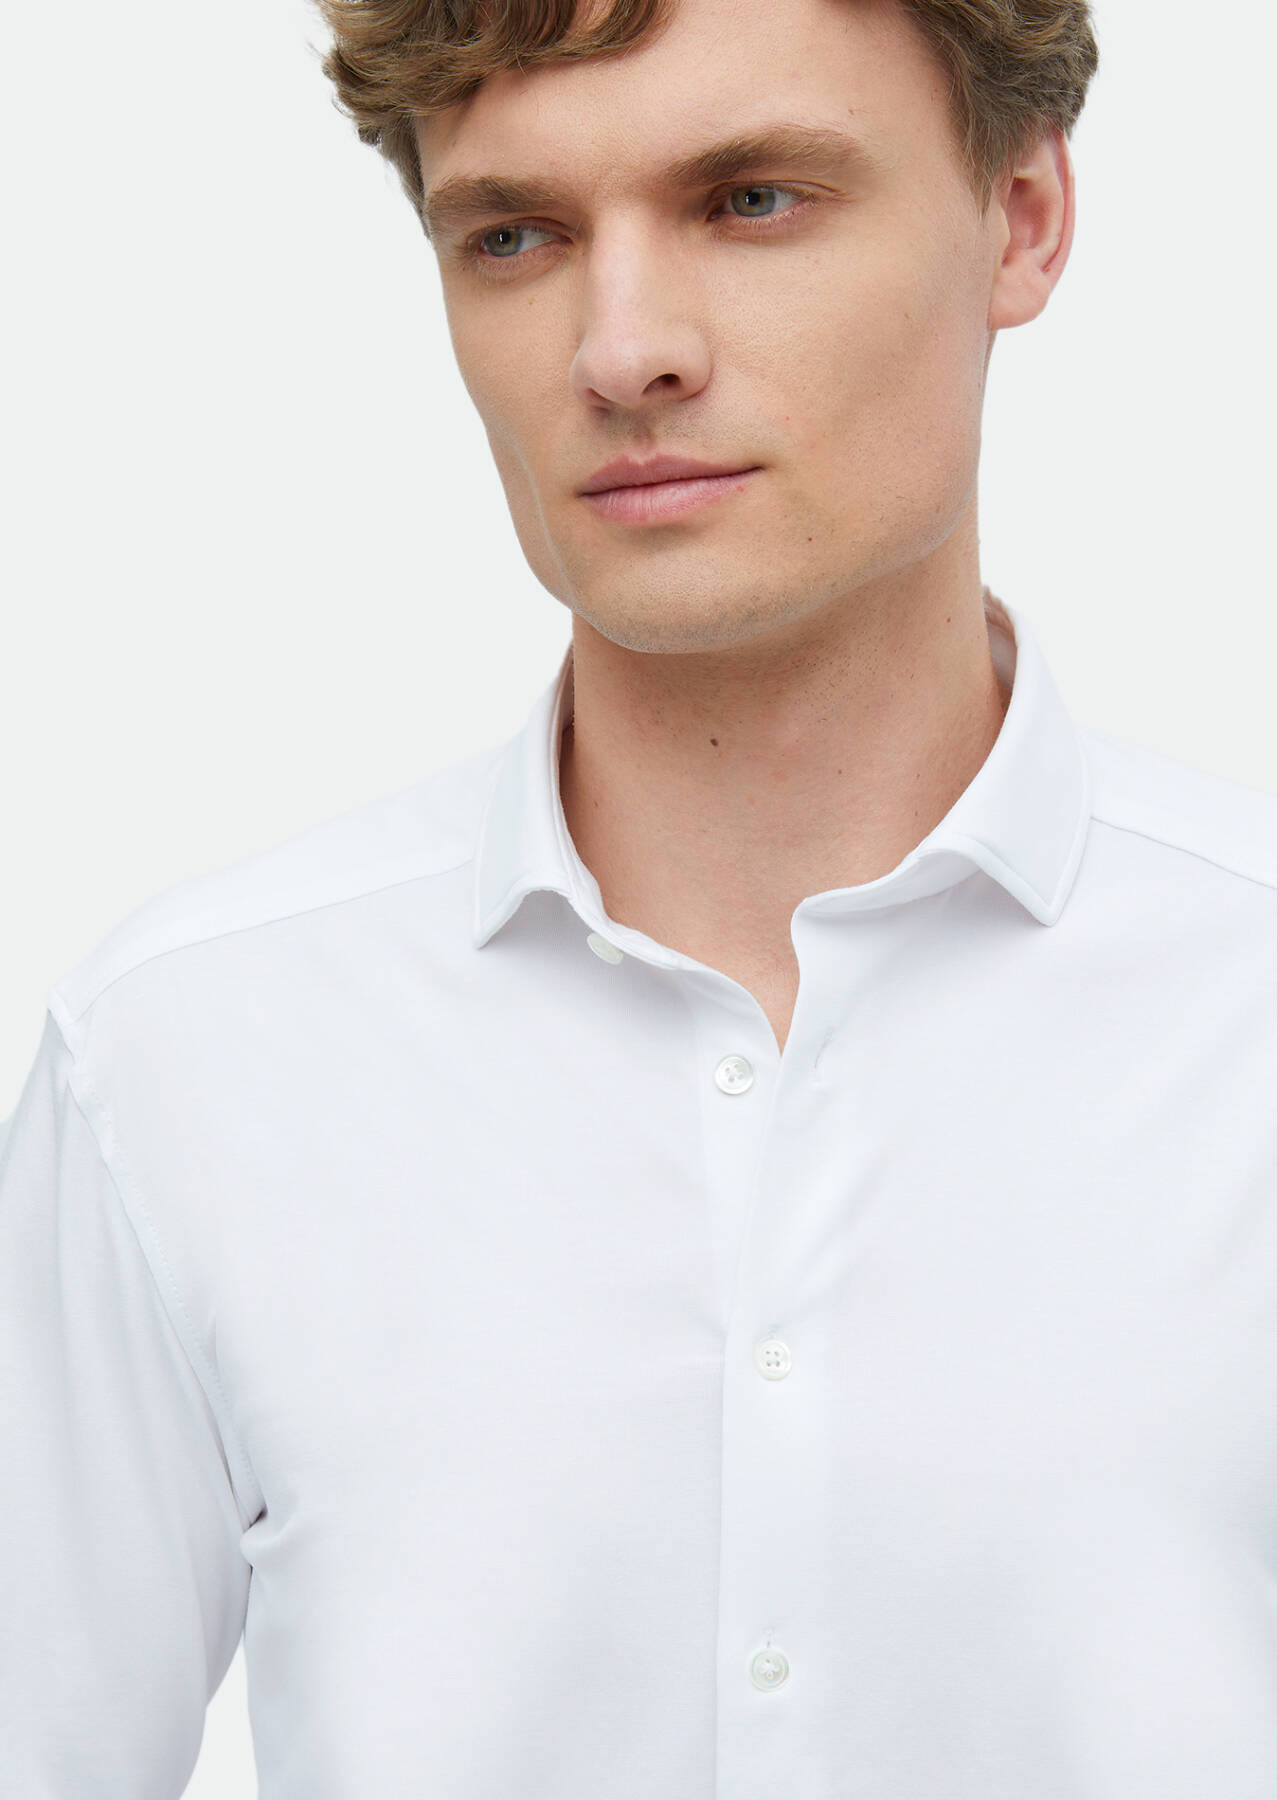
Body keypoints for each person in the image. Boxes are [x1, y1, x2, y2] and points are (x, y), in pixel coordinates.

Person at [4, 0, 1277, 1794]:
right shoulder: (184, 1061)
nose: (620, 351)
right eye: (513, 236)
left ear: (1022, 217)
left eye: (751, 200)